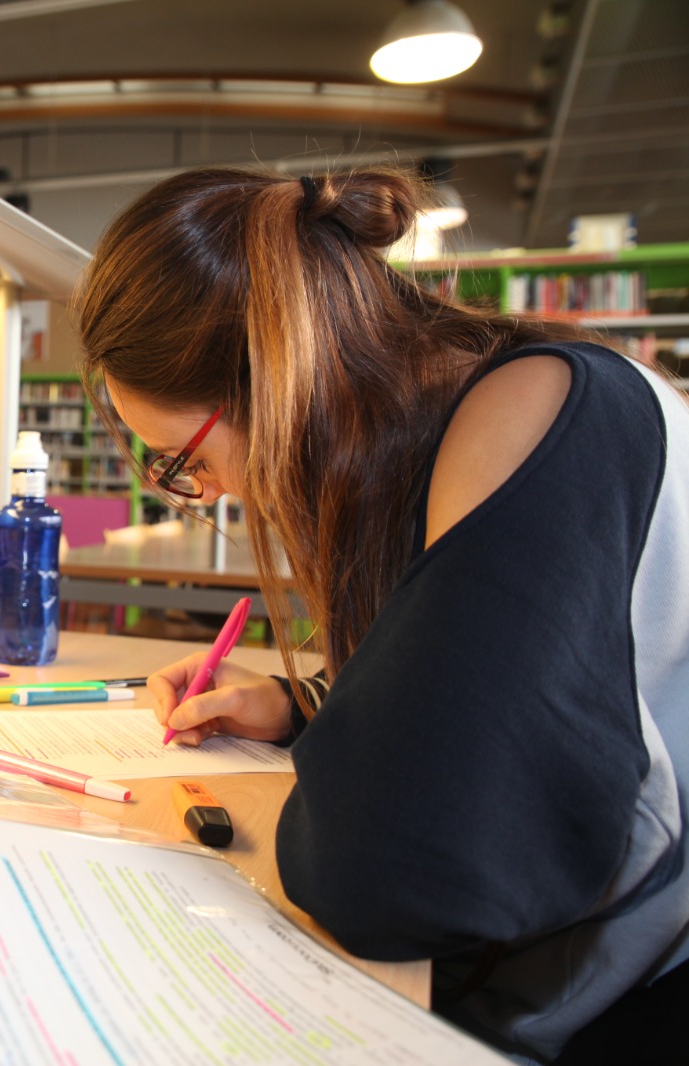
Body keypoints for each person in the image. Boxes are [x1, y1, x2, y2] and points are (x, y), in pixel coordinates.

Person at [74, 165, 689, 1064]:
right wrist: (304, 704)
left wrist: (353, 749)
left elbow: (397, 870)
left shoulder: (540, 410)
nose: (201, 494)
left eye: (182, 461)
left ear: (275, 385)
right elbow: (499, 672)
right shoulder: (448, 417)